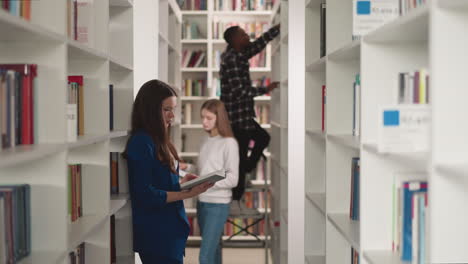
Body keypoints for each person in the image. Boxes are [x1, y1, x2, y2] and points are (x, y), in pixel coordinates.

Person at [123, 79, 213, 264]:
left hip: (171, 230)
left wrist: (182, 184)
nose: (172, 116)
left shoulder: (160, 139)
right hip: (157, 233)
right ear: (150, 110)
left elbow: (160, 183)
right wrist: (185, 193)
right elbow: (144, 194)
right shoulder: (141, 142)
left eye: (174, 109)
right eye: (167, 110)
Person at [219, 24, 280, 213]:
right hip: (237, 118)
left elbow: (257, 46)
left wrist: (275, 30)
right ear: (235, 39)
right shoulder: (232, 59)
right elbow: (239, 92)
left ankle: (246, 169)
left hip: (243, 115)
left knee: (262, 139)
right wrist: (265, 89)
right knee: (240, 158)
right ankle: (235, 201)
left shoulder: (238, 54)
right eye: (244, 35)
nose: (248, 37)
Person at [195, 99, 239, 264]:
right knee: (213, 252)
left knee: (205, 256)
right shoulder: (205, 141)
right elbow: (205, 171)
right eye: (202, 117)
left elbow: (233, 178)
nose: (204, 122)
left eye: (208, 118)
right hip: (202, 202)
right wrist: (189, 168)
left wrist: (207, 183)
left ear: (219, 118)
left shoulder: (229, 143)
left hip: (218, 205)